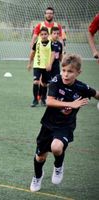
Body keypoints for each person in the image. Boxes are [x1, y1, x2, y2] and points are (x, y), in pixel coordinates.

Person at [29, 53, 99, 192]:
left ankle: (58, 166)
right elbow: (49, 101)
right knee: (40, 157)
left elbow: (96, 93)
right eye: (64, 70)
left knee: (56, 147)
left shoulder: (82, 88)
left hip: (65, 126)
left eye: (70, 71)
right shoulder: (56, 80)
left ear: (78, 73)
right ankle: (38, 176)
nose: (65, 74)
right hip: (48, 124)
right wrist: (72, 104)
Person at [27, 27, 54, 107]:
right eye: (42, 34)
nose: (44, 36)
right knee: (36, 81)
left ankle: (43, 99)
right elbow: (32, 53)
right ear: (39, 35)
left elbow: (53, 55)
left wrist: (50, 64)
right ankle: (35, 99)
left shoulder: (51, 43)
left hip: (46, 67)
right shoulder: (37, 43)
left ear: (48, 35)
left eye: (45, 34)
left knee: (45, 84)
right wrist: (29, 63)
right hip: (37, 65)